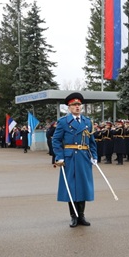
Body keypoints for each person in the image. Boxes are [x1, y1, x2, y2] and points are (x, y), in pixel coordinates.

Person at [51, 93, 98, 228]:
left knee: (83, 186)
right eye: (74, 105)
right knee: (71, 187)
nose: (77, 107)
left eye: (79, 105)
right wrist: (59, 156)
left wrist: (94, 156)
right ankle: (74, 216)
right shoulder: (63, 122)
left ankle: (81, 215)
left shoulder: (87, 122)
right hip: (70, 158)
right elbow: (56, 140)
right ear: (69, 107)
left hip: (83, 157)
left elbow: (92, 142)